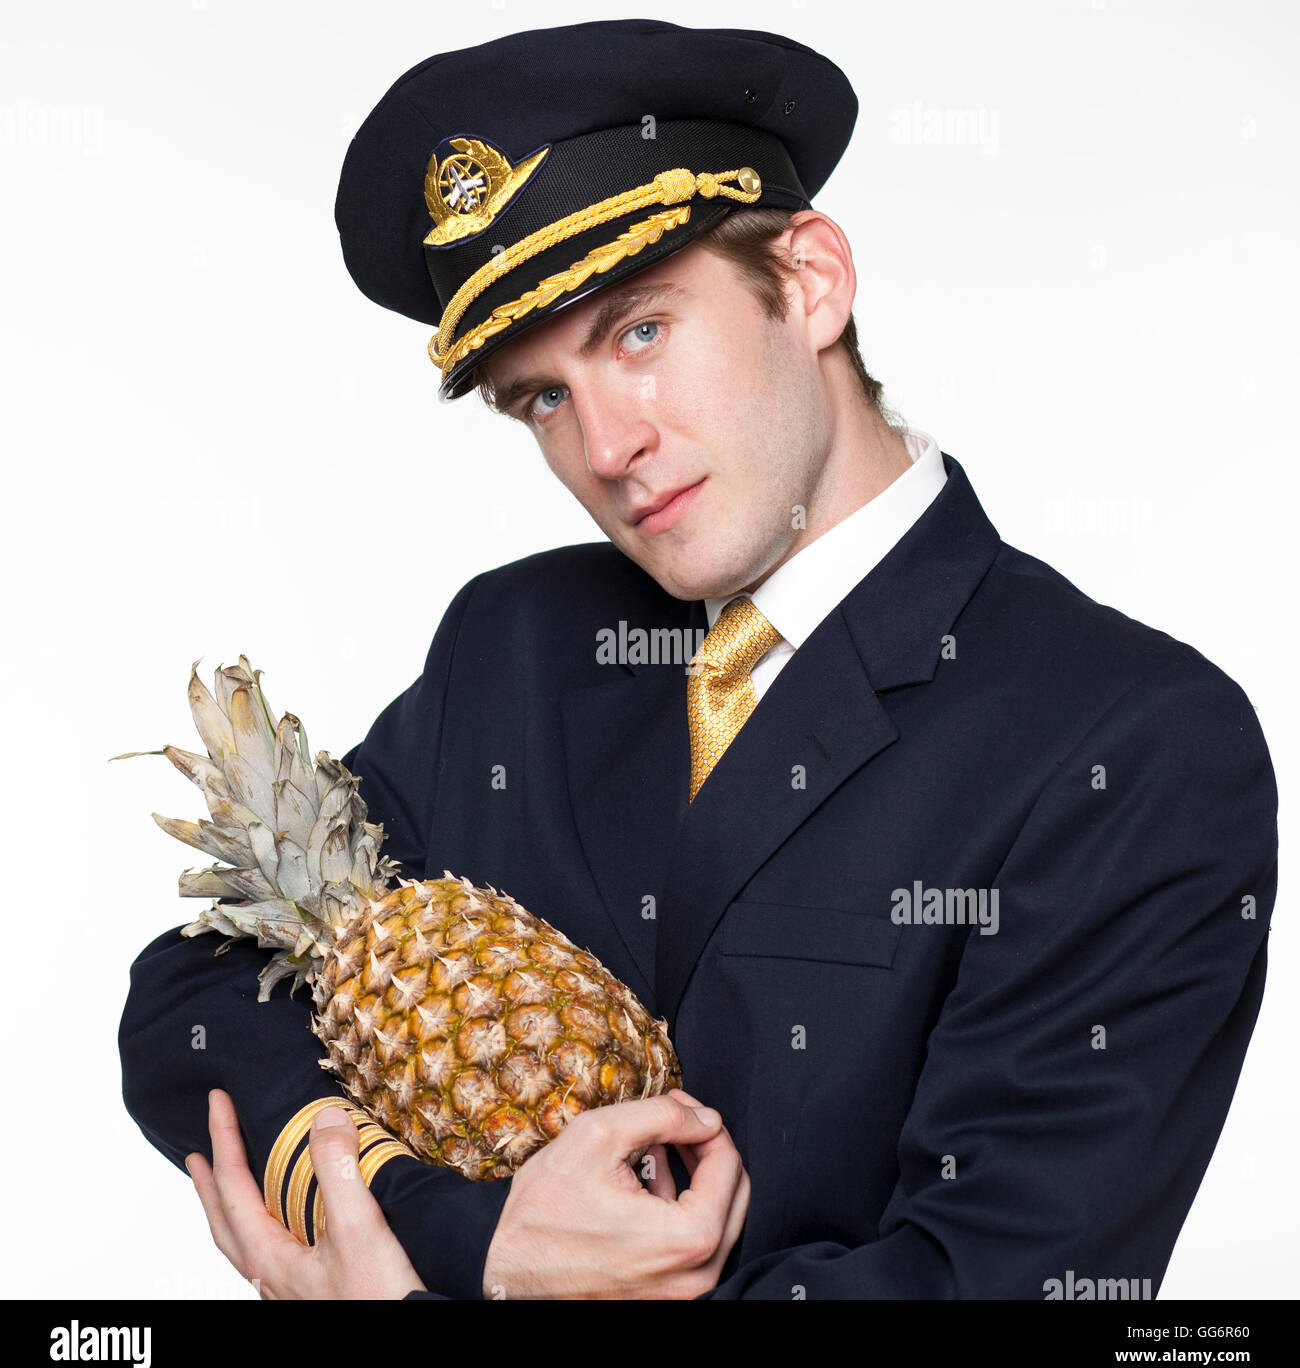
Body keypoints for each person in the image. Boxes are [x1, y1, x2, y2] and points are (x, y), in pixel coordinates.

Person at [120, 18, 1278, 1301]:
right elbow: (198, 996)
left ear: (811, 281)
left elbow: (987, 1277)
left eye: (638, 333)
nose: (606, 446)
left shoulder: (1129, 742)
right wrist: (459, 1236)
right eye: (541, 397)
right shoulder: (514, 645)